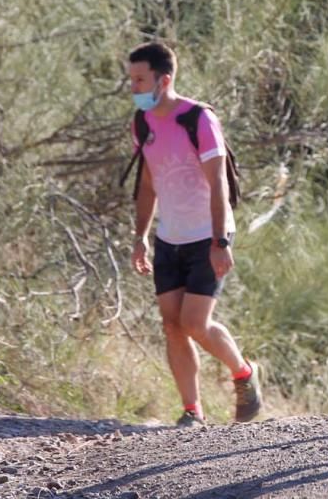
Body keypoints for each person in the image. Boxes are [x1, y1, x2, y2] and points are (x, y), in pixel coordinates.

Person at [126, 42, 262, 425]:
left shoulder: (198, 119)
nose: (133, 87)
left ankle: (243, 373)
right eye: (131, 79)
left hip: (207, 235)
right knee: (171, 324)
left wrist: (221, 242)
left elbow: (218, 183)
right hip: (170, 237)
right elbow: (148, 183)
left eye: (139, 80)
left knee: (194, 323)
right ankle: (192, 411)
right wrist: (140, 237)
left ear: (163, 80)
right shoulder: (142, 123)